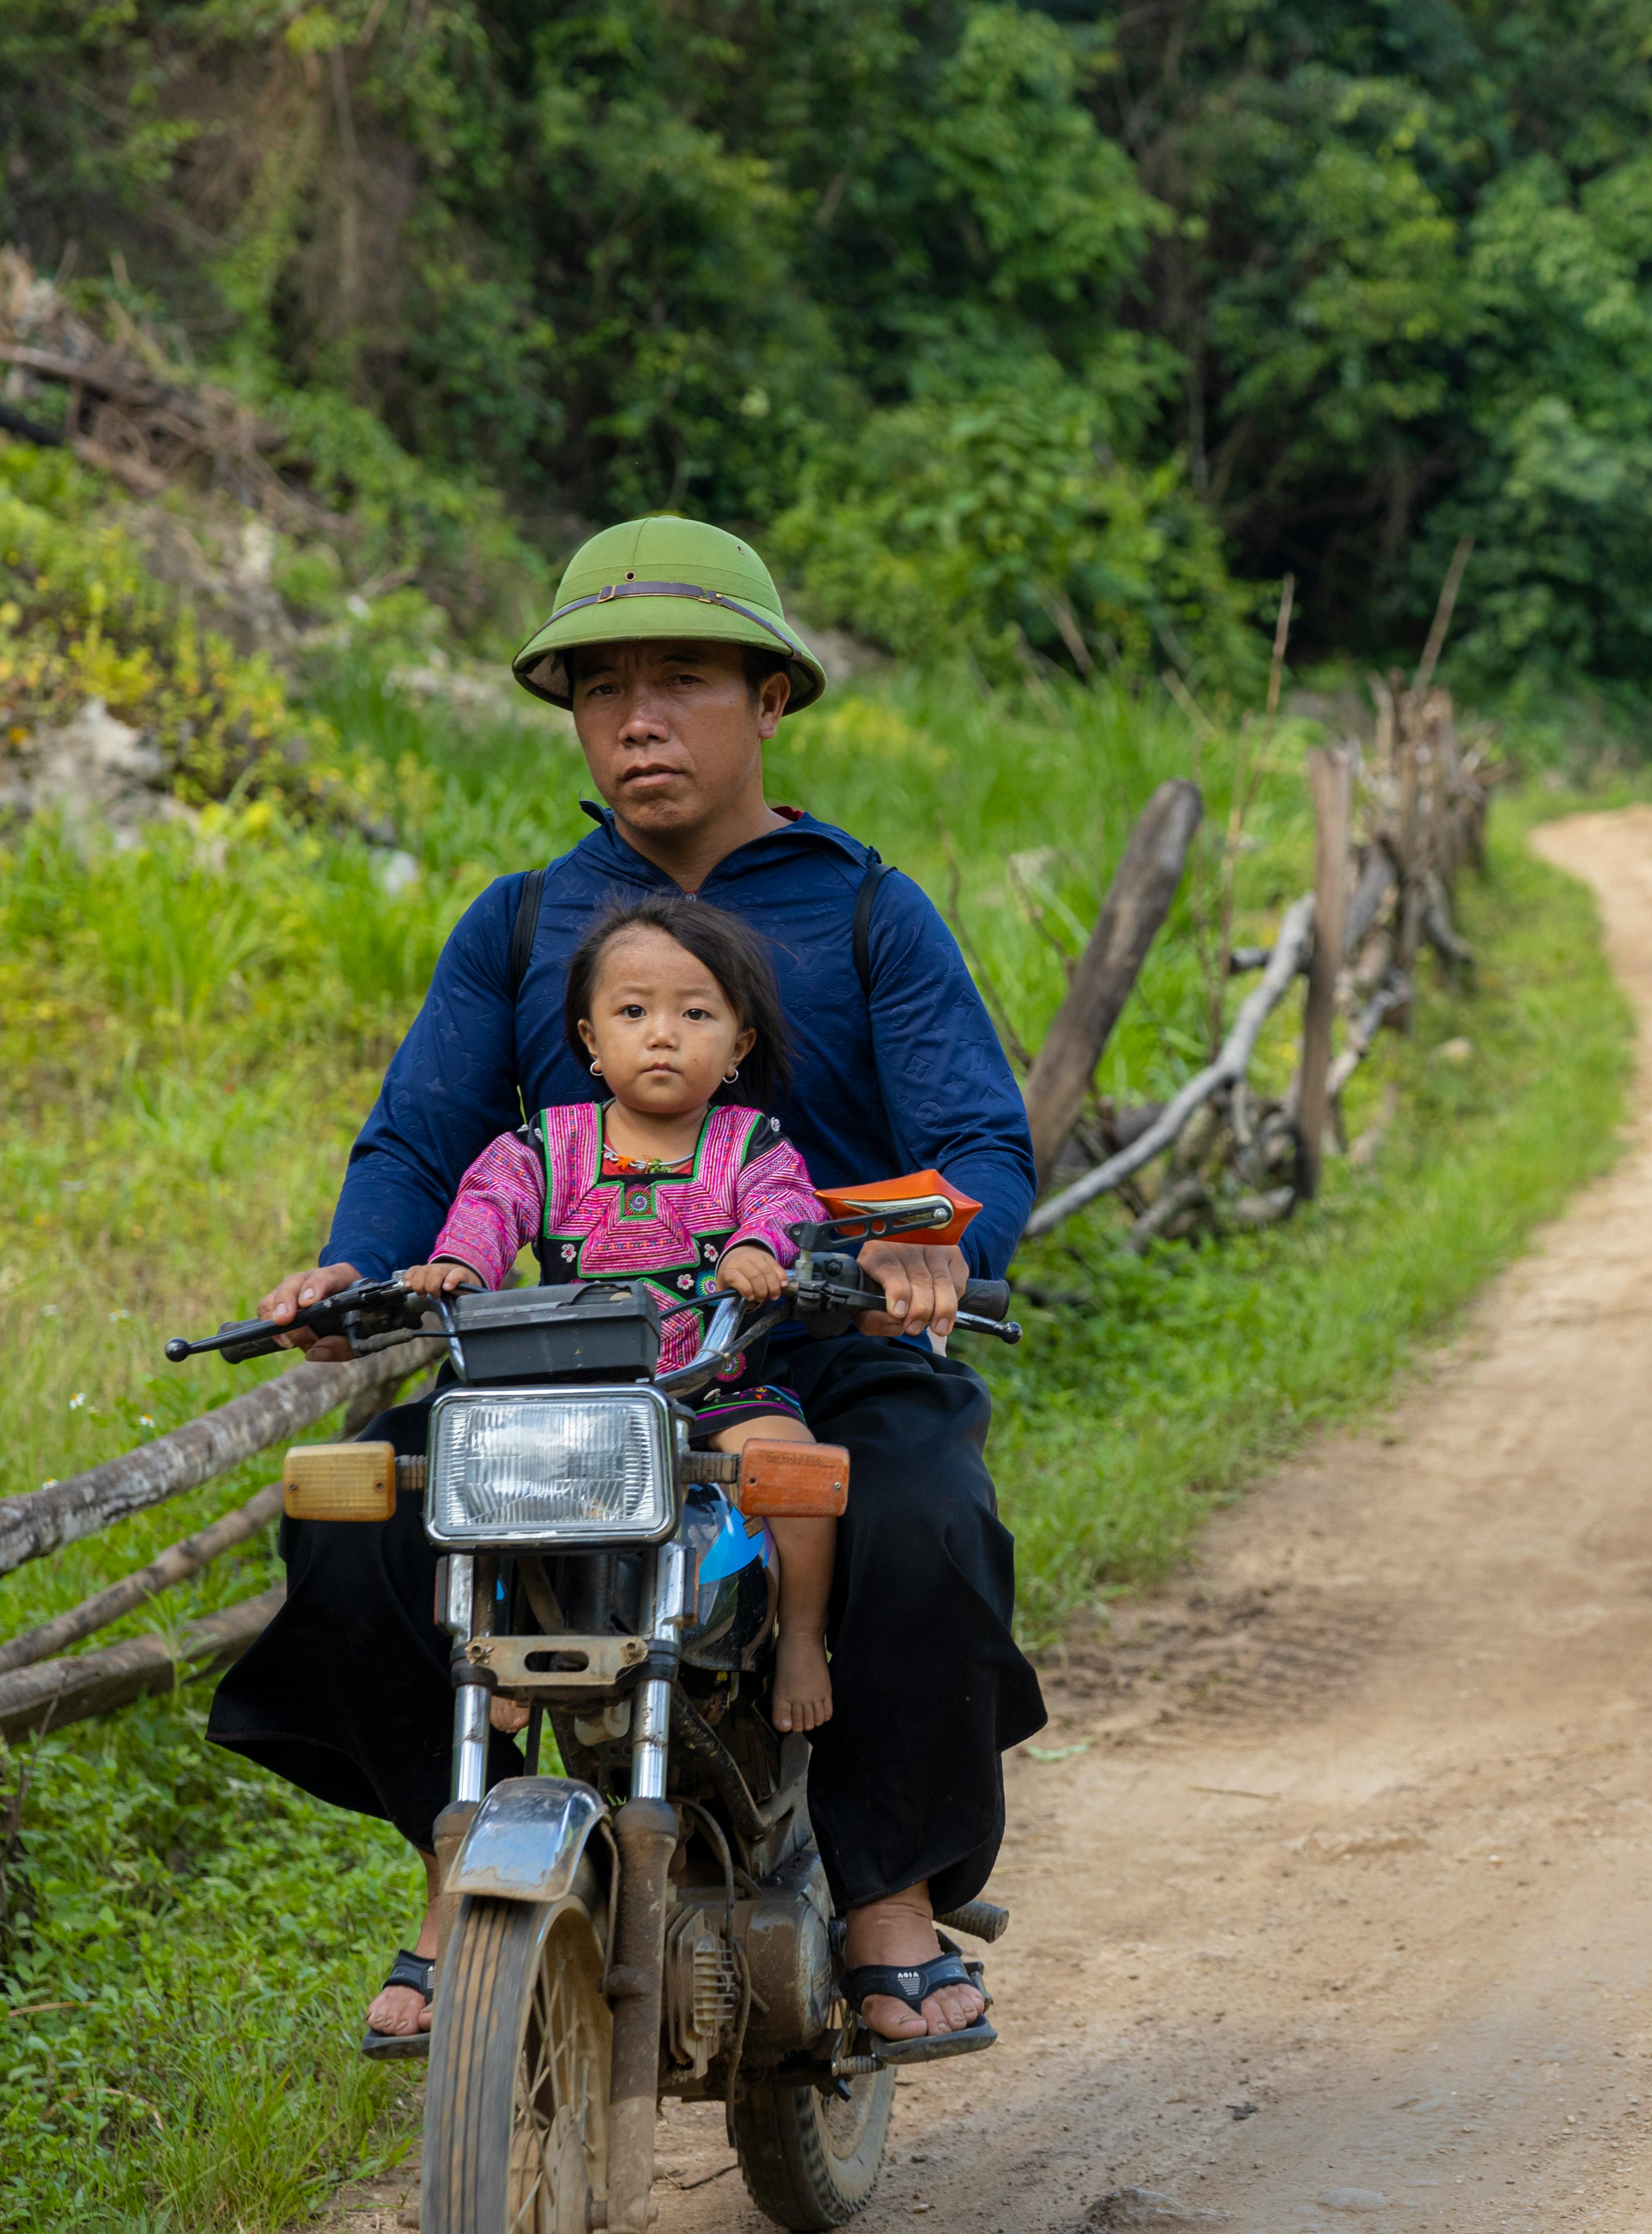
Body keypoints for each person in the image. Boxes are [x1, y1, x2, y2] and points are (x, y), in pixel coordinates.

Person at [207, 516, 1045, 2053]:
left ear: (772, 697)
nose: (638, 719)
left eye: (682, 680)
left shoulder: (866, 910)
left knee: (923, 1510)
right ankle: (461, 1864)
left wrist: (938, 1249)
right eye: (603, 691)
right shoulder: (524, 922)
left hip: (813, 1342)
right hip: (568, 1362)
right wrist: (362, 1260)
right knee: (351, 1526)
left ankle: (886, 1897)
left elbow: (979, 1136)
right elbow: (418, 1139)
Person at [398, 894, 842, 1736]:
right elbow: (493, 1202)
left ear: (739, 1045)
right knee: (468, 1487)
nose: (663, 1033)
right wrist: (461, 1262)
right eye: (633, 1012)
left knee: (795, 1475)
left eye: (696, 1013)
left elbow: (788, 1206)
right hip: (570, 1395)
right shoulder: (545, 1143)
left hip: (715, 1389)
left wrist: (761, 1250)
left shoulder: (750, 1145)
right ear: (591, 1042)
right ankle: (485, 1646)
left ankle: (801, 1638)